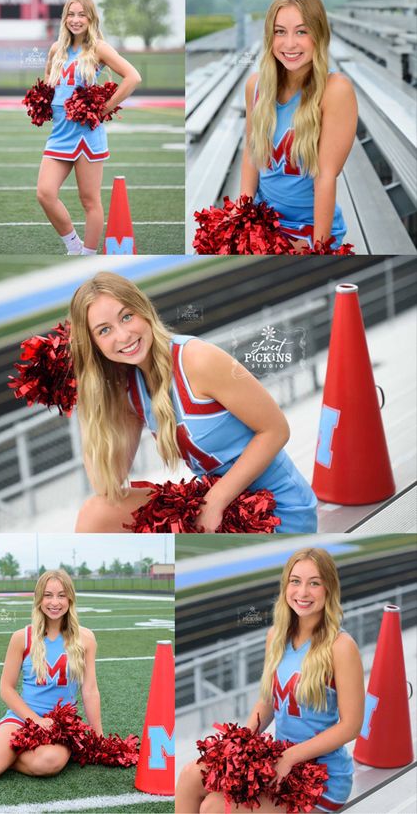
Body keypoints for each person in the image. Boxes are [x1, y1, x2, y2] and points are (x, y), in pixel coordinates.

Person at [70, 271, 317, 533]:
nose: (123, 335)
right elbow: (105, 484)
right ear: (93, 344)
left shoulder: (197, 359)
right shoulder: (130, 388)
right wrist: (87, 389)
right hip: (215, 504)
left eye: (127, 316)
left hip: (276, 511)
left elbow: (276, 430)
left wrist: (216, 501)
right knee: (96, 514)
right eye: (104, 330)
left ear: (144, 310)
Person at [175, 548, 365, 813]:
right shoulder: (276, 636)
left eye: (314, 583)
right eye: (295, 581)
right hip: (276, 761)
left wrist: (291, 757)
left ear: (329, 589)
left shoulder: (341, 646)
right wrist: (239, 745)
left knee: (214, 807)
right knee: (189, 776)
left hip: (319, 778)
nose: (303, 592)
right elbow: (267, 703)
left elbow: (351, 726)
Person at [0, 570, 101, 778]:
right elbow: (6, 688)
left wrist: (98, 739)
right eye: (48, 595)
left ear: (70, 598)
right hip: (23, 717)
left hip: (60, 726)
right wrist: (35, 720)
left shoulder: (86, 638)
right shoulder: (21, 637)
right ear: (38, 599)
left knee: (49, 763)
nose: (55, 602)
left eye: (61, 595)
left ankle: (1, 757)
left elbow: (89, 690)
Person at [241, 0, 358, 251]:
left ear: (319, 35)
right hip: (263, 223)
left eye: (301, 32)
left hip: (307, 228)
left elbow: (326, 176)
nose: (290, 44)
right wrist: (242, 221)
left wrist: (318, 248)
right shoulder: (255, 86)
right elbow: (251, 153)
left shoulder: (336, 90)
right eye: (280, 32)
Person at [36, 0, 141, 256]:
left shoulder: (99, 49)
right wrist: (44, 98)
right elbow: (48, 78)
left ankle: (88, 254)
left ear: (91, 18)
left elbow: (133, 77)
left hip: (86, 134)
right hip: (60, 133)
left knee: (89, 200)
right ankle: (73, 245)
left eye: (82, 14)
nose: (75, 20)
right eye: (71, 14)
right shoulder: (56, 49)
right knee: (45, 193)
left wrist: (103, 109)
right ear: (65, 18)